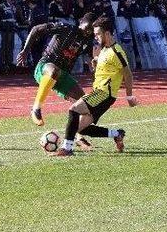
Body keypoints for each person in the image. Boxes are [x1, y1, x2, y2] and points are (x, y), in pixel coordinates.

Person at [54, 17, 137, 156]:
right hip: (99, 92)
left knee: (73, 109)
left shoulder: (116, 52)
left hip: (104, 94)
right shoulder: (104, 49)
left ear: (108, 34)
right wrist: (95, 64)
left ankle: (67, 148)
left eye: (98, 34)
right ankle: (117, 134)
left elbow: (128, 74)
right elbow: (104, 72)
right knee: (80, 128)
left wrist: (129, 96)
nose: (96, 37)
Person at [16, 12, 98, 127]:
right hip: (44, 67)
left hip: (63, 76)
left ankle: (77, 135)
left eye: (91, 30)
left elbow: (91, 59)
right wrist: (25, 51)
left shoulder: (87, 41)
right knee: (54, 70)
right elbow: (36, 29)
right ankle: (36, 109)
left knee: (84, 103)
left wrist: (94, 68)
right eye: (87, 28)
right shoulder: (65, 28)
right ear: (81, 22)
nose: (88, 31)